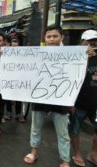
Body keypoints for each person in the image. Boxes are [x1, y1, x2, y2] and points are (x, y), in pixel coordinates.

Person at [23, 26, 71, 167]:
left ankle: (65, 160)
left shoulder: (72, 55)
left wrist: (89, 55)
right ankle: (34, 152)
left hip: (61, 98)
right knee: (35, 128)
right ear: (45, 38)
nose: (51, 39)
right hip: (40, 97)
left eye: (55, 36)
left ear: (61, 37)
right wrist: (4, 55)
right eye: (48, 36)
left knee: (63, 133)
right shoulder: (36, 53)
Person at [69, 29, 97, 167]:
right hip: (78, 103)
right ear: (82, 42)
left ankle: (93, 153)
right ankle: (77, 153)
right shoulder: (73, 57)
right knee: (74, 130)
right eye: (89, 42)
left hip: (95, 103)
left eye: (95, 42)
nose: (92, 44)